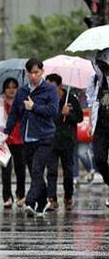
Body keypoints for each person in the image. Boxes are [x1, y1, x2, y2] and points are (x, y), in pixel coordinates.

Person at [0, 58, 59, 216]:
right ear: (26, 74)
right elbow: (14, 114)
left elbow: (53, 111)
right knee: (35, 173)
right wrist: (6, 132)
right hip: (27, 137)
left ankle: (30, 201)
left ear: (42, 72)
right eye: (30, 73)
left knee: (37, 169)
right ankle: (43, 202)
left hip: (45, 136)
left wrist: (34, 107)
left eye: (36, 72)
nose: (33, 76)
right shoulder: (23, 91)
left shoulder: (49, 89)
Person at [44, 73, 82, 212]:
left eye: (52, 86)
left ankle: (68, 197)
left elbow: (79, 118)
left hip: (68, 140)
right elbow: (46, 118)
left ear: (59, 85)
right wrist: (61, 113)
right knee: (52, 171)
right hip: (51, 139)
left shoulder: (71, 98)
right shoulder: (47, 100)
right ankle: (52, 198)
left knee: (68, 171)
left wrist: (69, 114)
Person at [0, 77, 26, 209]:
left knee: (21, 169)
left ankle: (21, 195)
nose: (11, 90)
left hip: (20, 139)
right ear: (4, 89)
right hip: (5, 140)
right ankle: (7, 197)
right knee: (6, 170)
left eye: (14, 87)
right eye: (8, 87)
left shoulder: (22, 101)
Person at [88, 48, 109, 206]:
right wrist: (90, 122)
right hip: (101, 126)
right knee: (99, 159)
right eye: (101, 65)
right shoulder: (95, 79)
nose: (104, 68)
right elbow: (91, 100)